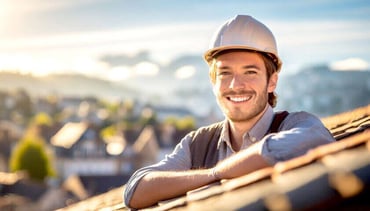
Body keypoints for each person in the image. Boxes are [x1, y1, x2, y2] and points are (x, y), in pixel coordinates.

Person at [123, 15, 335, 209]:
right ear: (213, 82)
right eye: (225, 73)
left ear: (272, 82)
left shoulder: (296, 124)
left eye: (250, 72)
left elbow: (310, 141)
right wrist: (213, 175)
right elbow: (136, 190)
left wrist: (218, 174)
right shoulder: (198, 143)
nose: (235, 85)